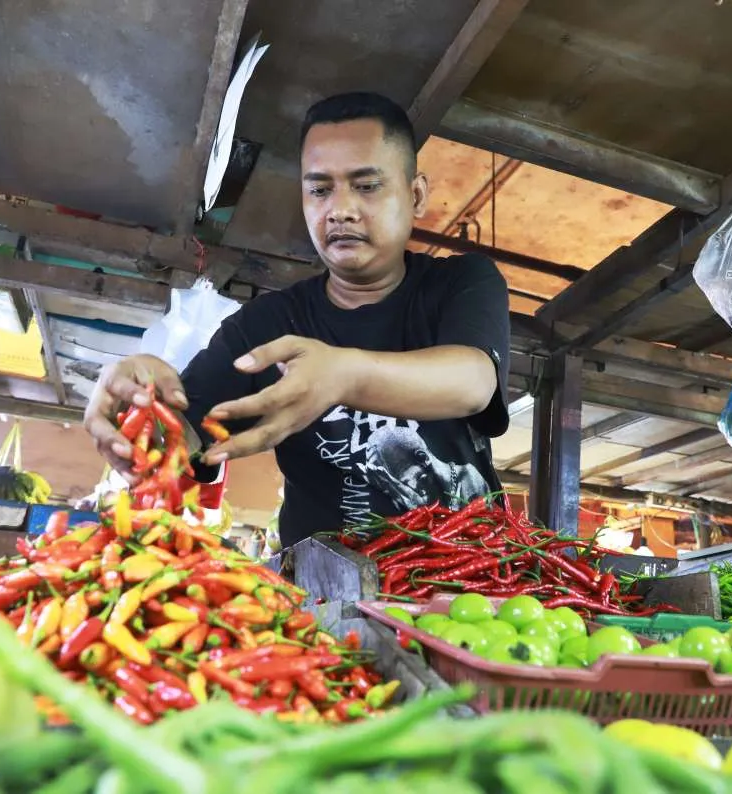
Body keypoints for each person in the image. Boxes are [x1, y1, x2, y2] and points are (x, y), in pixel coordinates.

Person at [83, 91, 511, 549]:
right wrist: (138, 413)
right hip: (322, 584)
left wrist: (343, 375)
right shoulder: (266, 326)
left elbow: (472, 383)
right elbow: (179, 439)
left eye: (367, 186)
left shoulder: (460, 282)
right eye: (320, 190)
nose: (340, 210)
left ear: (416, 194)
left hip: (472, 574)